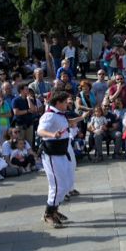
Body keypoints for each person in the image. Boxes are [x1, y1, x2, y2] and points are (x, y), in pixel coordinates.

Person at [37, 91, 83, 227]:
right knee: (57, 185)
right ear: (58, 103)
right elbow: (40, 131)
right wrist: (52, 134)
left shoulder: (59, 115)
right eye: (65, 102)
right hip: (52, 155)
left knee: (66, 184)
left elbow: (67, 123)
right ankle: (48, 213)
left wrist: (82, 117)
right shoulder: (49, 115)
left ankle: (55, 210)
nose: (67, 104)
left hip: (61, 153)